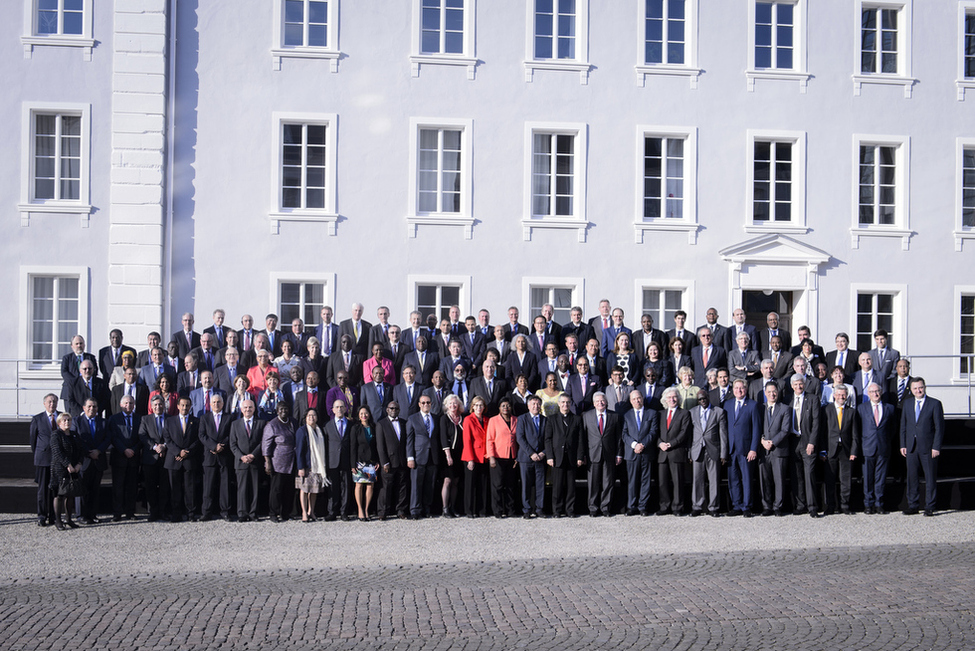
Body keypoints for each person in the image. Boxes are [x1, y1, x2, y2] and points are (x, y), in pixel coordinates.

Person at [900, 377, 944, 516]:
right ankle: (913, 505)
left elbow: (939, 428)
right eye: (915, 388)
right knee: (912, 477)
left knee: (930, 477)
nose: (918, 390)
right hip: (911, 447)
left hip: (928, 447)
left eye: (920, 387)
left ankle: (930, 506)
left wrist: (936, 447)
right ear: (911, 390)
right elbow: (903, 426)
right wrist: (903, 444)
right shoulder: (907, 404)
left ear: (924, 387)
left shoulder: (934, 404)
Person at [545, 394, 585, 518]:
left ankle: (570, 510)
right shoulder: (551, 419)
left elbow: (580, 440)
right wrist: (550, 456)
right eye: (563, 402)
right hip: (557, 457)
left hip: (572, 457)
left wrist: (580, 457)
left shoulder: (577, 419)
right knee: (557, 486)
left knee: (571, 486)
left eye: (567, 402)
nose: (565, 405)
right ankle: (557, 510)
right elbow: (548, 439)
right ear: (559, 403)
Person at [823, 385, 860, 515]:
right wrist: (823, 450)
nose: (841, 397)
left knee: (846, 479)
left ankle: (845, 505)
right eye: (838, 395)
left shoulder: (852, 412)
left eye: (843, 395)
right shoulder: (827, 410)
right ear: (834, 395)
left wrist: (854, 451)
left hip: (846, 450)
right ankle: (831, 506)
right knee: (830, 479)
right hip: (830, 450)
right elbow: (823, 433)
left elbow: (855, 434)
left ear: (847, 396)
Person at [726, 379, 760, 517]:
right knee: (733, 478)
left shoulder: (752, 405)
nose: (739, 390)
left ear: (746, 389)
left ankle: (747, 506)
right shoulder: (727, 404)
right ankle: (736, 505)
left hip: (746, 449)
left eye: (741, 388)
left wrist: (753, 448)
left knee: (746, 478)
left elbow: (756, 429)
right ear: (733, 389)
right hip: (731, 449)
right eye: (736, 388)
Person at [164, 396, 201, 522]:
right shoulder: (169, 421)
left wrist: (187, 452)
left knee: (190, 488)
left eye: (187, 405)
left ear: (190, 407)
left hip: (189, 459)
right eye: (182, 405)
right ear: (178, 406)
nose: (185, 408)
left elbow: (197, 440)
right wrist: (178, 452)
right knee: (175, 488)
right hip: (173, 459)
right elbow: (167, 439)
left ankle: (190, 514)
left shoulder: (196, 421)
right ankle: (176, 514)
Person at [689, 391, 727, 517]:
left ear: (708, 398)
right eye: (700, 399)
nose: (703, 401)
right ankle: (697, 506)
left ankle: (713, 507)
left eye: (704, 398)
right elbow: (690, 435)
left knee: (714, 479)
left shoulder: (718, 412)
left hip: (713, 450)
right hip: (697, 450)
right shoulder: (692, 412)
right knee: (697, 479)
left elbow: (723, 434)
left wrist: (723, 454)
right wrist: (689, 453)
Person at [621, 389, 658, 517]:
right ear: (630, 402)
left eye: (639, 398)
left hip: (646, 452)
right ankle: (631, 506)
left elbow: (653, 432)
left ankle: (643, 506)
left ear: (642, 398)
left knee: (645, 480)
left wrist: (643, 444)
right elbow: (624, 434)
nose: (637, 401)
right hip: (632, 453)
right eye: (634, 399)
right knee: (632, 481)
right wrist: (634, 445)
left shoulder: (652, 413)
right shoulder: (627, 415)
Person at [858, 382, 893, 514]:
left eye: (877, 391)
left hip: (883, 447)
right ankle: (868, 504)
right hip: (867, 448)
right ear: (868, 394)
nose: (875, 394)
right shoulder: (862, 408)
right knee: (867, 478)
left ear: (881, 392)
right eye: (872, 392)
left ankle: (879, 504)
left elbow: (892, 428)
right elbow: (859, 428)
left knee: (881, 478)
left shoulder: (889, 408)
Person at [656, 387, 691, 516]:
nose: (672, 399)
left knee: (678, 482)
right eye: (669, 397)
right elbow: (656, 432)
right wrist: (660, 444)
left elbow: (684, 433)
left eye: (674, 397)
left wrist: (671, 444)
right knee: (662, 482)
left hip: (676, 452)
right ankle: (664, 506)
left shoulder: (684, 413)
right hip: (662, 453)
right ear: (665, 400)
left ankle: (678, 507)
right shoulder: (660, 414)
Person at [758, 383, 791, 516]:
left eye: (774, 392)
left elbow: (785, 430)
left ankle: (778, 506)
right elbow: (756, 427)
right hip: (763, 450)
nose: (772, 394)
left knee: (779, 480)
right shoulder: (760, 408)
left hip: (778, 449)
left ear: (778, 393)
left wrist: (773, 442)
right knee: (764, 480)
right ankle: (767, 506)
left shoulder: (785, 409)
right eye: (769, 392)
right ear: (765, 393)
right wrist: (762, 441)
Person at [229, 398, 266, 522]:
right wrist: (241, 456)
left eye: (250, 407)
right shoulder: (235, 424)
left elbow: (263, 442)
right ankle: (242, 513)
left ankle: (253, 513)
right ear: (241, 410)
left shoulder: (261, 423)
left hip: (255, 461)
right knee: (242, 488)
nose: (248, 410)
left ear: (254, 409)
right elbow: (233, 444)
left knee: (255, 488)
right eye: (245, 408)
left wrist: (253, 455)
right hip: (241, 462)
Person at [199, 393, 234, 521]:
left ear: (223, 404)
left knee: (225, 486)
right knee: (207, 486)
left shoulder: (229, 418)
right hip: (209, 456)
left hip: (224, 456)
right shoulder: (204, 418)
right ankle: (206, 512)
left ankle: (225, 512)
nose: (216, 404)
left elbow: (231, 435)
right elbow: (202, 436)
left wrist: (221, 446)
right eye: (213, 402)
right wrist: (214, 446)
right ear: (209, 404)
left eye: (218, 402)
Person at [406, 394, 441, 519]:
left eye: (428, 402)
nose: (426, 404)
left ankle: (427, 509)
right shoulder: (412, 418)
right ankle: (415, 510)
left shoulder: (436, 418)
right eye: (423, 403)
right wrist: (410, 457)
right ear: (419, 404)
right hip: (418, 455)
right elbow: (409, 439)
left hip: (433, 455)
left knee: (429, 484)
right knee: (416, 484)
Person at [75, 398, 109, 524]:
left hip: (98, 460)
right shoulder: (77, 421)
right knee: (82, 489)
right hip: (84, 460)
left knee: (95, 489)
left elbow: (108, 438)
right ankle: (81, 515)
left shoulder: (103, 422)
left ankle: (92, 514)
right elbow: (78, 439)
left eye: (94, 406)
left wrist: (98, 451)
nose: (92, 409)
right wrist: (89, 452)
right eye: (89, 406)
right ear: (84, 408)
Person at [108, 395, 141, 522]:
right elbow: (113, 437)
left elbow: (141, 436)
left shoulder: (139, 418)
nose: (129, 405)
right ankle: (117, 513)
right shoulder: (114, 419)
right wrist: (124, 450)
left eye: (131, 403)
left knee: (132, 486)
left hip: (133, 457)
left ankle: (130, 512)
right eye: (126, 403)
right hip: (119, 457)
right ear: (121, 405)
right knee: (118, 487)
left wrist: (134, 450)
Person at [263, 402, 297, 523]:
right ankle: (273, 513)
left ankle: (286, 513)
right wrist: (267, 462)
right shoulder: (272, 425)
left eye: (286, 408)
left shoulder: (293, 422)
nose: (284, 411)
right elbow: (266, 445)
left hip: (292, 460)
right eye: (281, 409)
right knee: (276, 489)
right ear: (277, 411)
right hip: (278, 461)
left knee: (289, 489)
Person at [50, 413, 84, 530]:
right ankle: (58, 521)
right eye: (64, 421)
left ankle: (69, 519)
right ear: (59, 423)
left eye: (68, 420)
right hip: (60, 469)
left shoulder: (75, 435)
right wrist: (67, 464)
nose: (67, 422)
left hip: (74, 468)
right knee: (59, 495)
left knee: (70, 494)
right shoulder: (56, 435)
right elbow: (57, 452)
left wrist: (79, 463)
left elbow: (80, 450)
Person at [486, 397, 519, 518]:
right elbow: (489, 440)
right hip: (498, 456)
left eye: (508, 405)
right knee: (498, 485)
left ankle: (510, 510)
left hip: (512, 456)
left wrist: (517, 457)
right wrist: (491, 457)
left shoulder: (516, 420)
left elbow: (518, 439)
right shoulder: (493, 420)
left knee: (510, 485)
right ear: (499, 408)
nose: (506, 408)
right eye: (503, 406)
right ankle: (498, 510)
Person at [29, 394, 60, 527]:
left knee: (56, 490)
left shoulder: (62, 417)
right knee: (42, 489)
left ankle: (54, 516)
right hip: (43, 458)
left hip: (58, 460)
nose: (52, 404)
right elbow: (33, 440)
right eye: (49, 402)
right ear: (44, 404)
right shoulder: (37, 419)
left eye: (54, 401)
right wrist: (39, 453)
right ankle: (42, 516)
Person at [377, 401, 410, 520]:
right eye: (391, 408)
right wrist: (384, 462)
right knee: (386, 488)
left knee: (402, 486)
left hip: (402, 460)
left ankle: (401, 510)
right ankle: (383, 511)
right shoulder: (381, 424)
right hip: (388, 462)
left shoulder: (403, 423)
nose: (394, 410)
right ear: (387, 410)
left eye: (396, 408)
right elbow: (380, 446)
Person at [516, 395, 547, 518]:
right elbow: (520, 438)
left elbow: (549, 439)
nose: (536, 406)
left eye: (538, 404)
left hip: (541, 457)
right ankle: (527, 510)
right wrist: (531, 453)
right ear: (528, 406)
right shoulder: (522, 419)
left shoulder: (546, 420)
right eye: (533, 404)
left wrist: (543, 453)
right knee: (526, 485)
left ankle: (539, 508)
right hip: (526, 458)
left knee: (540, 485)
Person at [295, 408, 328, 522]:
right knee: (304, 490)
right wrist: (300, 467)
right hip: (306, 465)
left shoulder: (319, 431)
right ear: (305, 418)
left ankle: (311, 511)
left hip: (317, 466)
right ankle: (304, 512)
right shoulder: (302, 431)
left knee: (314, 490)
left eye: (313, 415)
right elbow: (299, 450)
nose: (311, 418)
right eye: (309, 415)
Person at [323, 399, 353, 521]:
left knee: (346, 487)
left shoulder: (351, 425)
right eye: (337, 407)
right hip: (332, 460)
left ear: (345, 409)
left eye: (342, 407)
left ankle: (344, 512)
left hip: (346, 460)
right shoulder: (327, 425)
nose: (339, 409)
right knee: (333, 487)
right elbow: (325, 445)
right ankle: (332, 512)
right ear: (333, 410)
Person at [462, 396, 490, 517]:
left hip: (484, 456)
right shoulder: (468, 419)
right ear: (472, 407)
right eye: (476, 405)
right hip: (472, 456)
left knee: (483, 484)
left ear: (484, 407)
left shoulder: (487, 420)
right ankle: (469, 510)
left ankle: (482, 510)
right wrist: (470, 459)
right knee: (470, 485)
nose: (479, 408)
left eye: (481, 405)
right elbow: (467, 440)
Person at [350, 406, 379, 521]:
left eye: (366, 413)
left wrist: (377, 461)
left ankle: (366, 509)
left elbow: (376, 445)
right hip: (359, 462)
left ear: (369, 414)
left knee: (370, 485)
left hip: (371, 461)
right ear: (358, 415)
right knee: (359, 485)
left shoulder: (373, 427)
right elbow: (352, 447)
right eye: (361, 413)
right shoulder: (355, 428)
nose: (364, 415)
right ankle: (360, 510)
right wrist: (352, 464)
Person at [438, 395, 464, 518]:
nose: (453, 406)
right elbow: (443, 437)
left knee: (456, 481)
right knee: (447, 480)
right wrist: (448, 456)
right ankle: (445, 508)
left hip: (460, 453)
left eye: (455, 403)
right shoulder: (444, 419)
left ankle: (453, 507)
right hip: (447, 453)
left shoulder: (462, 418)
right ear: (446, 405)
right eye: (450, 404)